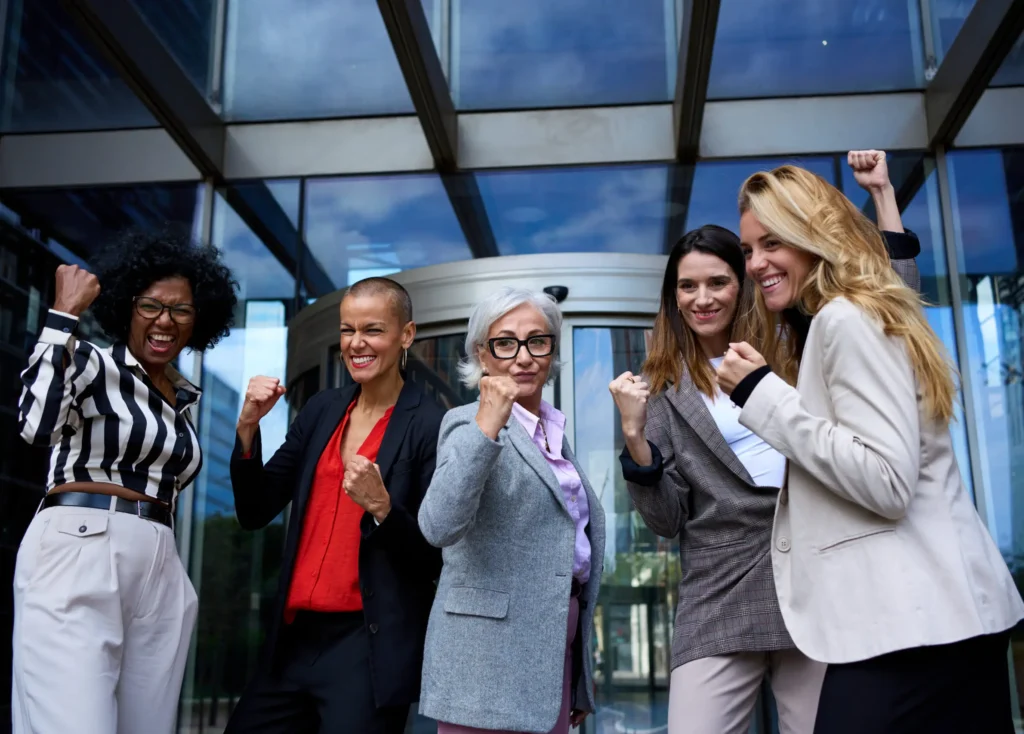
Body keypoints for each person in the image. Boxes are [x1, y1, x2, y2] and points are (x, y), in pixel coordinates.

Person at [608, 151, 921, 734]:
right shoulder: (658, 386)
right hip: (719, 590)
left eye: (718, 281)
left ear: (742, 282)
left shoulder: (798, 340)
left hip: (813, 566)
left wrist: (883, 197)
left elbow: (890, 312)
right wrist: (633, 435)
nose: (703, 298)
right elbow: (666, 518)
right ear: (672, 296)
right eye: (688, 286)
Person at [714, 162, 1024, 734]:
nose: (755, 263)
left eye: (772, 242)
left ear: (813, 234)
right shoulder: (852, 313)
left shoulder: (846, 317)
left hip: (918, 628)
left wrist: (761, 395)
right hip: (934, 622)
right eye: (748, 248)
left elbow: (885, 479)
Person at [14, 229, 237, 734]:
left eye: (181, 310)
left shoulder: (182, 401)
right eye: (151, 306)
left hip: (161, 561)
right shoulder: (91, 362)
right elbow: (36, 425)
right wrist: (63, 317)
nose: (165, 321)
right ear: (125, 306)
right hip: (81, 544)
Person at [224, 277, 444, 734]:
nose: (356, 343)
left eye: (372, 330)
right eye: (347, 330)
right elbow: (255, 508)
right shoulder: (323, 410)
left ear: (406, 335)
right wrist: (248, 428)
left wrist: (383, 509)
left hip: (365, 646)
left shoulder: (430, 424)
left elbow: (434, 555)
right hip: (293, 640)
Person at [418, 287, 605, 734]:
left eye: (537, 341)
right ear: (483, 354)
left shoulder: (554, 434)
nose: (523, 357)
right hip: (486, 656)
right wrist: (488, 423)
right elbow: (438, 524)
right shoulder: (466, 423)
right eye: (506, 343)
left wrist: (578, 676)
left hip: (551, 646)